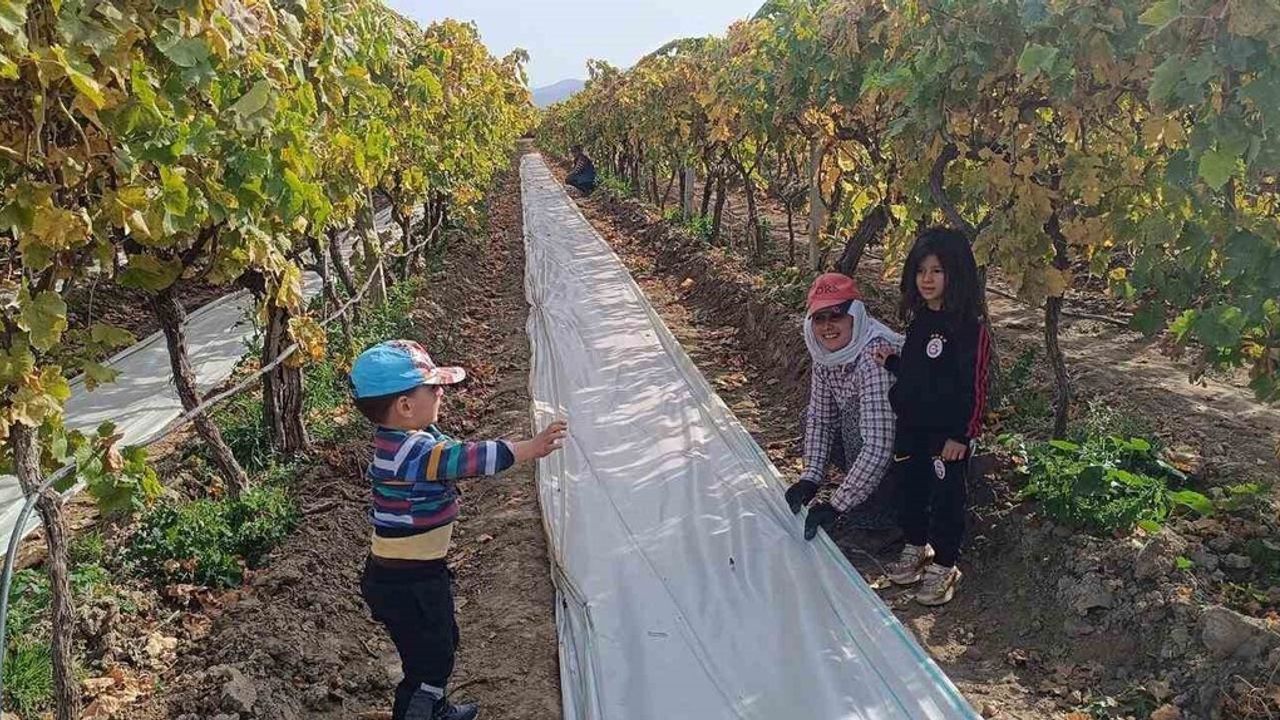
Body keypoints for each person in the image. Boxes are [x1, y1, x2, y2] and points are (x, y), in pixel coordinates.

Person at [350, 340, 568, 720]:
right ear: (405, 406)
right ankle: (420, 713)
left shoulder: (402, 440)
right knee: (429, 662)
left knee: (441, 642)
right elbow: (465, 458)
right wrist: (529, 448)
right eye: (433, 388)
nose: (440, 393)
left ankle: (437, 708)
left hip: (411, 575)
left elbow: (445, 445)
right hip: (408, 583)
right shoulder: (413, 454)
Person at [873, 228, 991, 607]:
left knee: (946, 498)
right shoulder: (921, 319)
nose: (927, 279)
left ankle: (945, 563)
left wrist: (962, 435)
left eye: (937, 271)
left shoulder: (970, 329)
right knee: (910, 488)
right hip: (912, 427)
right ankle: (917, 546)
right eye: (921, 271)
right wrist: (894, 363)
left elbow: (974, 387)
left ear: (957, 274)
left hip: (946, 435)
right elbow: (919, 370)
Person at [785, 272, 903, 543]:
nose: (828, 327)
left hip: (907, 460)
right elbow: (821, 419)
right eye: (819, 318)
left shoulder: (875, 356)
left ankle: (879, 517)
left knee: (852, 416)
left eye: (836, 316)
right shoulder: (826, 356)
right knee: (809, 417)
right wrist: (810, 478)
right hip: (874, 447)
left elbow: (879, 444)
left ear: (854, 317)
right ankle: (863, 500)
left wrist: (837, 505)